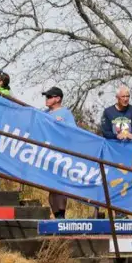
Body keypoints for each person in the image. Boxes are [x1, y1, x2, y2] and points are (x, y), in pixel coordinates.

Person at [42, 86, 77, 219]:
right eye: (46, 96)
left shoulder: (65, 113)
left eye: (49, 97)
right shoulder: (44, 113)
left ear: (58, 99)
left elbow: (73, 133)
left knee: (60, 186)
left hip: (61, 155)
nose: (47, 99)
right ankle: (56, 215)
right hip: (46, 155)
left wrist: (60, 126)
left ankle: (62, 215)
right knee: (51, 187)